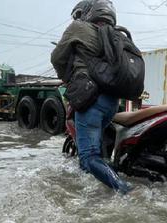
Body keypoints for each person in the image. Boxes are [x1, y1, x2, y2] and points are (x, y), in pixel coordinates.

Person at [51, 0, 132, 194]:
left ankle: (125, 191)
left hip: (89, 99)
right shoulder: (117, 35)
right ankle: (94, 183)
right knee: (95, 150)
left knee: (89, 156)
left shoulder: (78, 27)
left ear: (88, 12)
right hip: (112, 103)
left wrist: (65, 77)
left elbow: (57, 58)